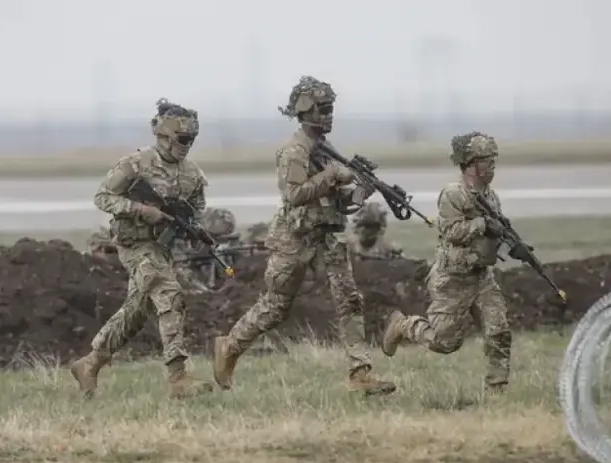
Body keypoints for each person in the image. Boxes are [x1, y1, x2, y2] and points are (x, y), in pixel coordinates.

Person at [212, 76, 396, 396]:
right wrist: (332, 175)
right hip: (296, 237)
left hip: (328, 235)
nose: (329, 115)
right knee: (275, 306)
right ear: (305, 111)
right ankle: (229, 347)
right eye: (323, 109)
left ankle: (360, 372)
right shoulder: (294, 151)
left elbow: (335, 201)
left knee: (349, 300)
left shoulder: (326, 150)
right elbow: (295, 195)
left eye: (331, 109)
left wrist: (359, 193)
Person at [69, 98, 216, 400]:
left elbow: (198, 206)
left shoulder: (191, 173)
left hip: (161, 247)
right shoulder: (135, 164)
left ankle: (90, 364)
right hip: (134, 244)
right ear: (164, 135)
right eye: (182, 138)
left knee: (136, 312)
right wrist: (139, 209)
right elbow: (102, 197)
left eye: (191, 139)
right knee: (169, 293)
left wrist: (194, 226)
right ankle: (178, 378)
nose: (186, 145)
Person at [381, 131, 518, 392]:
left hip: (481, 276)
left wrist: (508, 240)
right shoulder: (453, 194)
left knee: (498, 329)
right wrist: (482, 224)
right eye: (486, 160)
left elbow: (494, 233)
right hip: (453, 279)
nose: (492, 166)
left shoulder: (491, 197)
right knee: (445, 343)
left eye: (493, 160)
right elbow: (451, 231)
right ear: (470, 163)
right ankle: (404, 325)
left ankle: (497, 388)